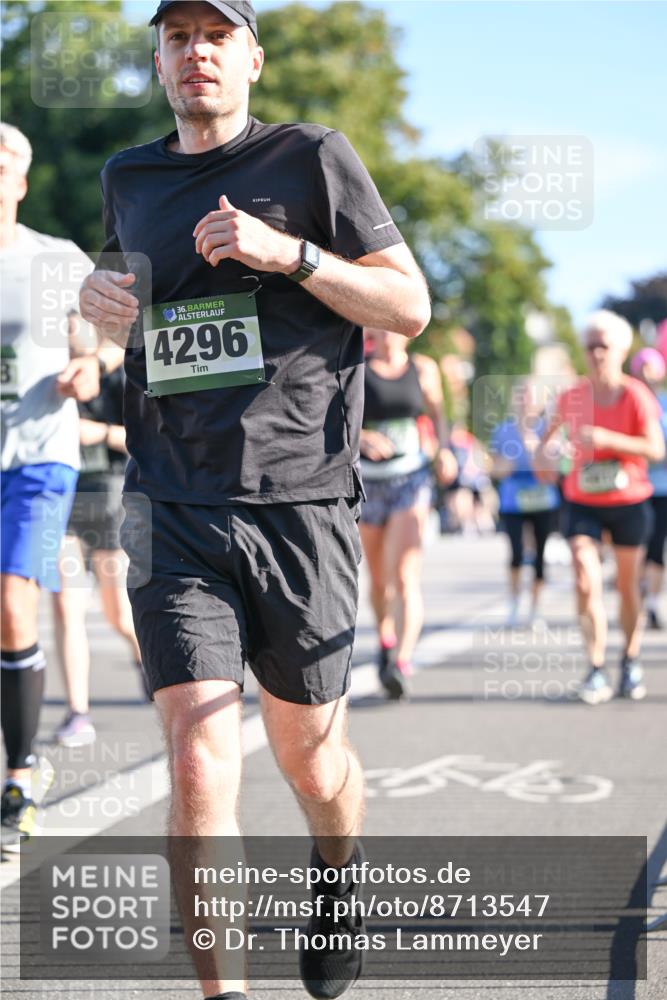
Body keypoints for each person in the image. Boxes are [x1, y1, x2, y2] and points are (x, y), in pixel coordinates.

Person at [78, 3, 430, 998]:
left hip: (299, 503)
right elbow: (126, 313)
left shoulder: (312, 158)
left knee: (312, 762)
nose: (196, 52)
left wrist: (292, 257)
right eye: (178, 38)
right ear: (157, 63)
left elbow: (409, 304)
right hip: (171, 499)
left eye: (215, 36)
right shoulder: (128, 179)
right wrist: (95, 313)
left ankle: (337, 871)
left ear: (252, 59)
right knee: (196, 753)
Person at [0, 123, 120, 851]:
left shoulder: (51, 261)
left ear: (20, 179)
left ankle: (20, 769)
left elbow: (106, 333)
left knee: (16, 605)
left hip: (41, 460)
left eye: (1, 164)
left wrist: (94, 367)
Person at [536, 311, 664, 705]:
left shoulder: (634, 395)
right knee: (585, 578)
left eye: (602, 346)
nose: (595, 353)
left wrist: (608, 438)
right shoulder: (572, 396)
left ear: (621, 351)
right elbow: (545, 448)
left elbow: (656, 450)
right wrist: (548, 455)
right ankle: (594, 667)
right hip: (583, 502)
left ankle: (629, 658)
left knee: (627, 589)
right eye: (589, 346)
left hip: (629, 502)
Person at [358, 327, 456, 697]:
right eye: (376, 327)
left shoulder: (423, 368)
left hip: (411, 481)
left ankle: (402, 659)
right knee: (379, 580)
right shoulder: (358, 365)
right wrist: (362, 437)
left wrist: (445, 450)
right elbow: (337, 414)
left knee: (404, 574)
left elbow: (439, 414)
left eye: (390, 327)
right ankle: (385, 639)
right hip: (369, 482)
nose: (383, 334)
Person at [51, 364, 144, 748]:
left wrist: (100, 433)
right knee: (65, 606)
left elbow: (150, 438)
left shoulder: (122, 373)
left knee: (118, 614)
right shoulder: (49, 375)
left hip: (107, 496)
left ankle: (145, 658)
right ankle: (78, 712)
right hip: (59, 493)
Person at [490, 378, 560, 627]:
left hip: (542, 497)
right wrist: (503, 467)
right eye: (521, 395)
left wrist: (541, 455)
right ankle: (514, 601)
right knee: (517, 553)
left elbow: (557, 468)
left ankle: (536, 608)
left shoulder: (547, 430)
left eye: (530, 395)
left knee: (540, 555)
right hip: (513, 499)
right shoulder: (502, 430)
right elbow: (494, 467)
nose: (525, 400)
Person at [630, 347, 667, 628]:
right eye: (641, 369)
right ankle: (637, 598)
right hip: (635, 487)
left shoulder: (665, 404)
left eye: (650, 369)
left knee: (656, 547)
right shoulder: (630, 401)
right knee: (637, 547)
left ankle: (653, 602)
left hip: (663, 488)